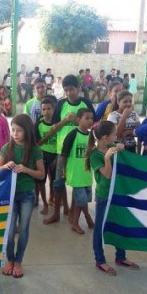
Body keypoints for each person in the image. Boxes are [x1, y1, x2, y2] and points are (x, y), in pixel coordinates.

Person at [0, 113, 44, 279]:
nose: (15, 134)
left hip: (27, 195)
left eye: (19, 130)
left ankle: (18, 261)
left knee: (23, 229)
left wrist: (26, 169)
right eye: (13, 130)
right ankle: (10, 259)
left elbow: (41, 174)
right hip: (9, 195)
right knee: (9, 232)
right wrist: (5, 166)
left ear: (28, 131)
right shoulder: (7, 148)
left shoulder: (35, 150)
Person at [89, 121, 139, 275]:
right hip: (104, 196)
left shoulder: (113, 145)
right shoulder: (94, 155)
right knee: (100, 228)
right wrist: (107, 158)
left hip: (118, 193)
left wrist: (121, 147)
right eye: (114, 135)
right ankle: (100, 260)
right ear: (105, 137)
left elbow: (121, 148)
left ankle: (121, 256)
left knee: (121, 224)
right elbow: (107, 174)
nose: (116, 137)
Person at [44, 75, 95, 225]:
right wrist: (66, 120)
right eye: (66, 90)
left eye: (71, 89)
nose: (69, 93)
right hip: (63, 151)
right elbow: (54, 127)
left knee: (77, 182)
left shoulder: (86, 103)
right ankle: (56, 214)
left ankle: (73, 213)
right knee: (58, 182)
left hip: (81, 151)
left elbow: (93, 124)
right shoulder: (61, 104)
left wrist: (78, 121)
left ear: (78, 88)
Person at [62, 108, 95, 234]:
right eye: (87, 118)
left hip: (86, 174)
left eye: (91, 118)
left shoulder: (91, 135)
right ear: (78, 119)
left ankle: (84, 217)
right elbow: (64, 154)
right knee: (81, 199)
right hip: (76, 174)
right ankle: (76, 223)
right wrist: (64, 170)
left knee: (83, 199)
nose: (90, 121)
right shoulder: (73, 134)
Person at [35, 97, 57, 215]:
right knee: (41, 181)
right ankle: (44, 204)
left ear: (54, 109)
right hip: (42, 156)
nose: (46, 111)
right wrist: (50, 133)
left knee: (54, 181)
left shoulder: (58, 123)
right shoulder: (38, 124)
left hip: (55, 156)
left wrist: (57, 158)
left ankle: (51, 198)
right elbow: (37, 143)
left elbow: (61, 143)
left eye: (49, 108)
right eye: (44, 109)